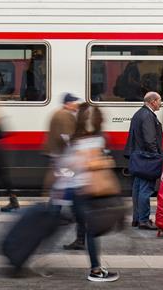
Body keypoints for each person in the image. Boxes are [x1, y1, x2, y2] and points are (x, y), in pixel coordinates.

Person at [61, 103, 120, 282]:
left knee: (87, 228)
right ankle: (95, 270)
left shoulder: (74, 139)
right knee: (93, 230)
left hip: (78, 191)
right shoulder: (98, 140)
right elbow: (96, 163)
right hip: (91, 192)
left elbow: (68, 166)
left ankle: (95, 268)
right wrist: (104, 162)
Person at [43, 93, 84, 250]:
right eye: (74, 102)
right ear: (68, 103)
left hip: (62, 162)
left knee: (60, 196)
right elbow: (68, 139)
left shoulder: (59, 114)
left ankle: (49, 222)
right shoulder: (65, 116)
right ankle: (50, 223)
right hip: (66, 164)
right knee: (65, 197)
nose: (76, 105)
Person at [124, 91, 163, 230]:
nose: (160, 103)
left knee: (137, 189)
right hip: (146, 158)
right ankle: (144, 220)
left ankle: (137, 218)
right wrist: (156, 156)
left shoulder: (139, 113)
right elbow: (149, 139)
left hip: (138, 157)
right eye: (159, 100)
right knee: (146, 190)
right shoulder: (147, 116)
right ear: (152, 101)